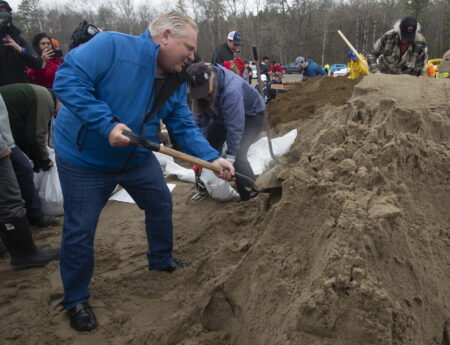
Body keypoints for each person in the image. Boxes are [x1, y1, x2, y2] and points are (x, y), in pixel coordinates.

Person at [53, 11, 234, 332]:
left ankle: (161, 260)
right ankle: (76, 299)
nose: (193, 55)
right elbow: (67, 80)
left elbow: (181, 124)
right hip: (85, 159)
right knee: (80, 230)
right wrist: (105, 123)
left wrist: (211, 158)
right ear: (164, 37)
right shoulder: (111, 46)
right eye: (188, 47)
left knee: (160, 203)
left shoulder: (176, 79)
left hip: (137, 156)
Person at [187, 62, 265, 201]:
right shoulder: (198, 90)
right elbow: (198, 122)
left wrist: (230, 159)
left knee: (238, 157)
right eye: (199, 94)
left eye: (206, 93)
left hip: (251, 116)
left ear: (212, 79)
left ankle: (252, 196)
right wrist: (200, 152)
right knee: (208, 145)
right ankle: (204, 185)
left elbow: (235, 127)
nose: (203, 97)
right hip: (221, 116)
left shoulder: (231, 89)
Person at [0, 94, 59, 271]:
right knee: (9, 198)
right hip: (2, 147)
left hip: (7, 142)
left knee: (21, 172)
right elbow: (36, 133)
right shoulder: (43, 98)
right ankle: (24, 254)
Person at [0, 1, 42, 86]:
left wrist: (19, 49)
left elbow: (37, 63)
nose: (3, 14)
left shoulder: (19, 40)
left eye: (5, 11)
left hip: (20, 89)